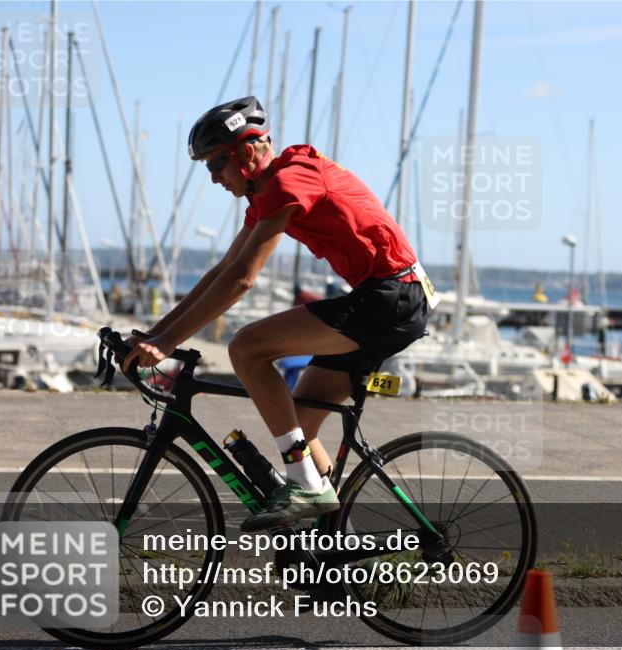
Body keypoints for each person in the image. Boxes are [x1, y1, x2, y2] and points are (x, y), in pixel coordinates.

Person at [123, 96, 435, 530]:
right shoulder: (269, 193)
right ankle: (330, 553)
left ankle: (306, 486)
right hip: (386, 297)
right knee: (298, 428)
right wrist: (153, 334)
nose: (214, 179)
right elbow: (223, 269)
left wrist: (166, 344)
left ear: (247, 152)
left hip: (392, 297)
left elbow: (242, 280)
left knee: (247, 347)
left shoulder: (292, 182)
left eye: (216, 164)